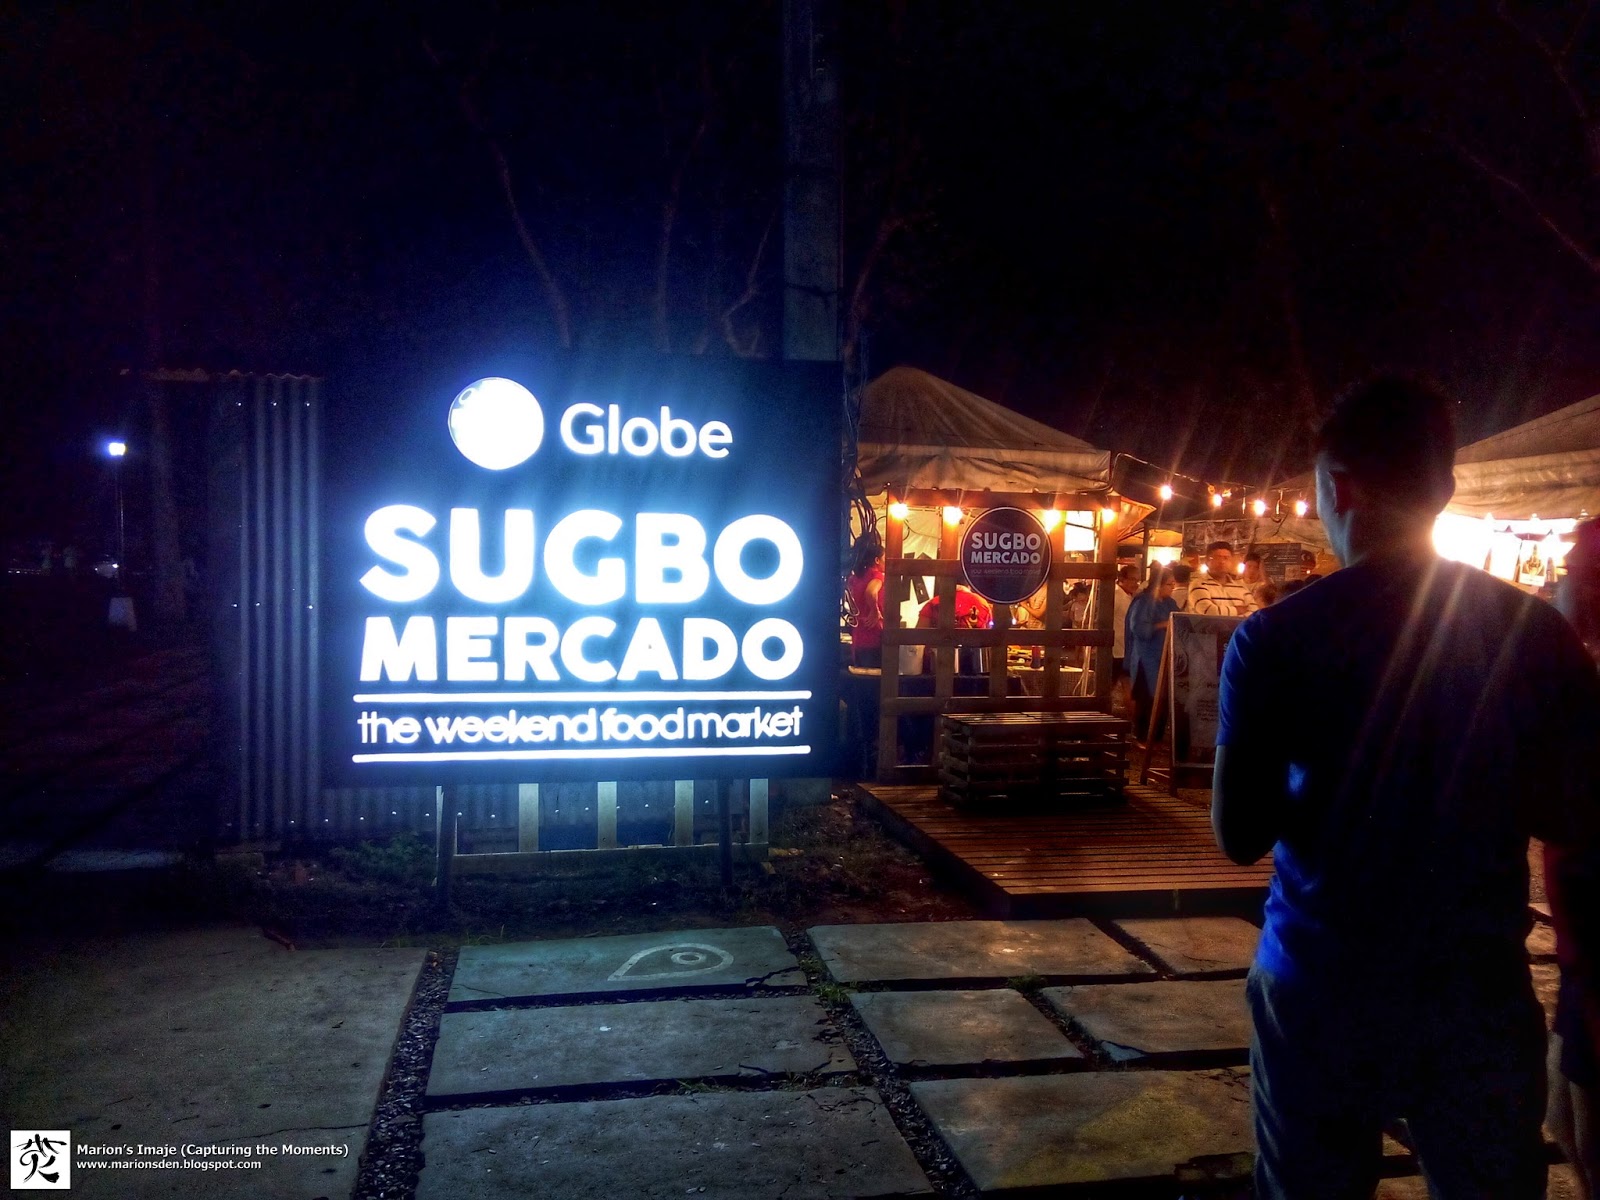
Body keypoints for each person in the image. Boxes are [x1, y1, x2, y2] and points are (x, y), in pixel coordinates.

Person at [1212, 376, 1600, 1199]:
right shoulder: (1534, 631)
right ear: (1444, 489)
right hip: (1474, 984)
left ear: (1338, 486)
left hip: (1319, 977)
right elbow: (1573, 810)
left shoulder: (1275, 639)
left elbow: (1238, 832)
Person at [1551, 518, 1600, 1198]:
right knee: (1563, 1117)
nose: (1556, 583)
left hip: (1595, 949)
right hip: (1578, 952)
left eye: (1569, 572)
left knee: (1590, 1137)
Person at [1125, 566, 1178, 740]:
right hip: (1146, 658)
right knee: (1147, 699)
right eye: (1169, 584)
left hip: (1165, 657)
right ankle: (1142, 736)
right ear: (1158, 585)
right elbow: (1138, 629)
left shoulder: (1170, 603)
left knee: (1163, 699)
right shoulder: (1143, 602)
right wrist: (1161, 625)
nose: (1172, 588)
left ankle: (1157, 737)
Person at [844, 536, 885, 669]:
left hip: (858, 637)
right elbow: (871, 592)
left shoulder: (855, 578)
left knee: (861, 675)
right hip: (873, 636)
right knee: (875, 677)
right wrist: (875, 611)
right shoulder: (876, 575)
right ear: (877, 560)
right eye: (885, 558)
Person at [1187, 542, 1256, 616]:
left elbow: (1254, 612)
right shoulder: (1198, 584)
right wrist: (1238, 610)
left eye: (1226, 558)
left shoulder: (1241, 587)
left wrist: (1234, 618)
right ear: (1207, 561)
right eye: (1217, 558)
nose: (1222, 562)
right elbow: (1210, 611)